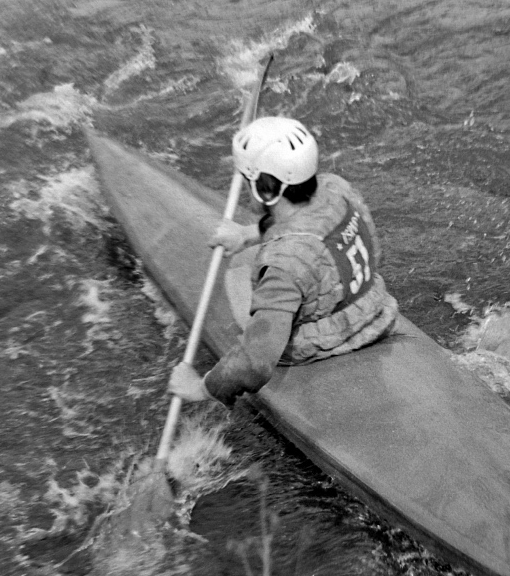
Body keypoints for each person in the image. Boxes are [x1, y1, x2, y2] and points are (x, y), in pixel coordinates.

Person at [168, 116, 398, 407]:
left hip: (327, 344)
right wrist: (248, 234)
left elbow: (256, 363)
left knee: (256, 311)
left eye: (246, 179)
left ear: (265, 189)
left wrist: (202, 388)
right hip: (376, 310)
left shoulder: (282, 266)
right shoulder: (336, 189)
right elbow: (319, 231)